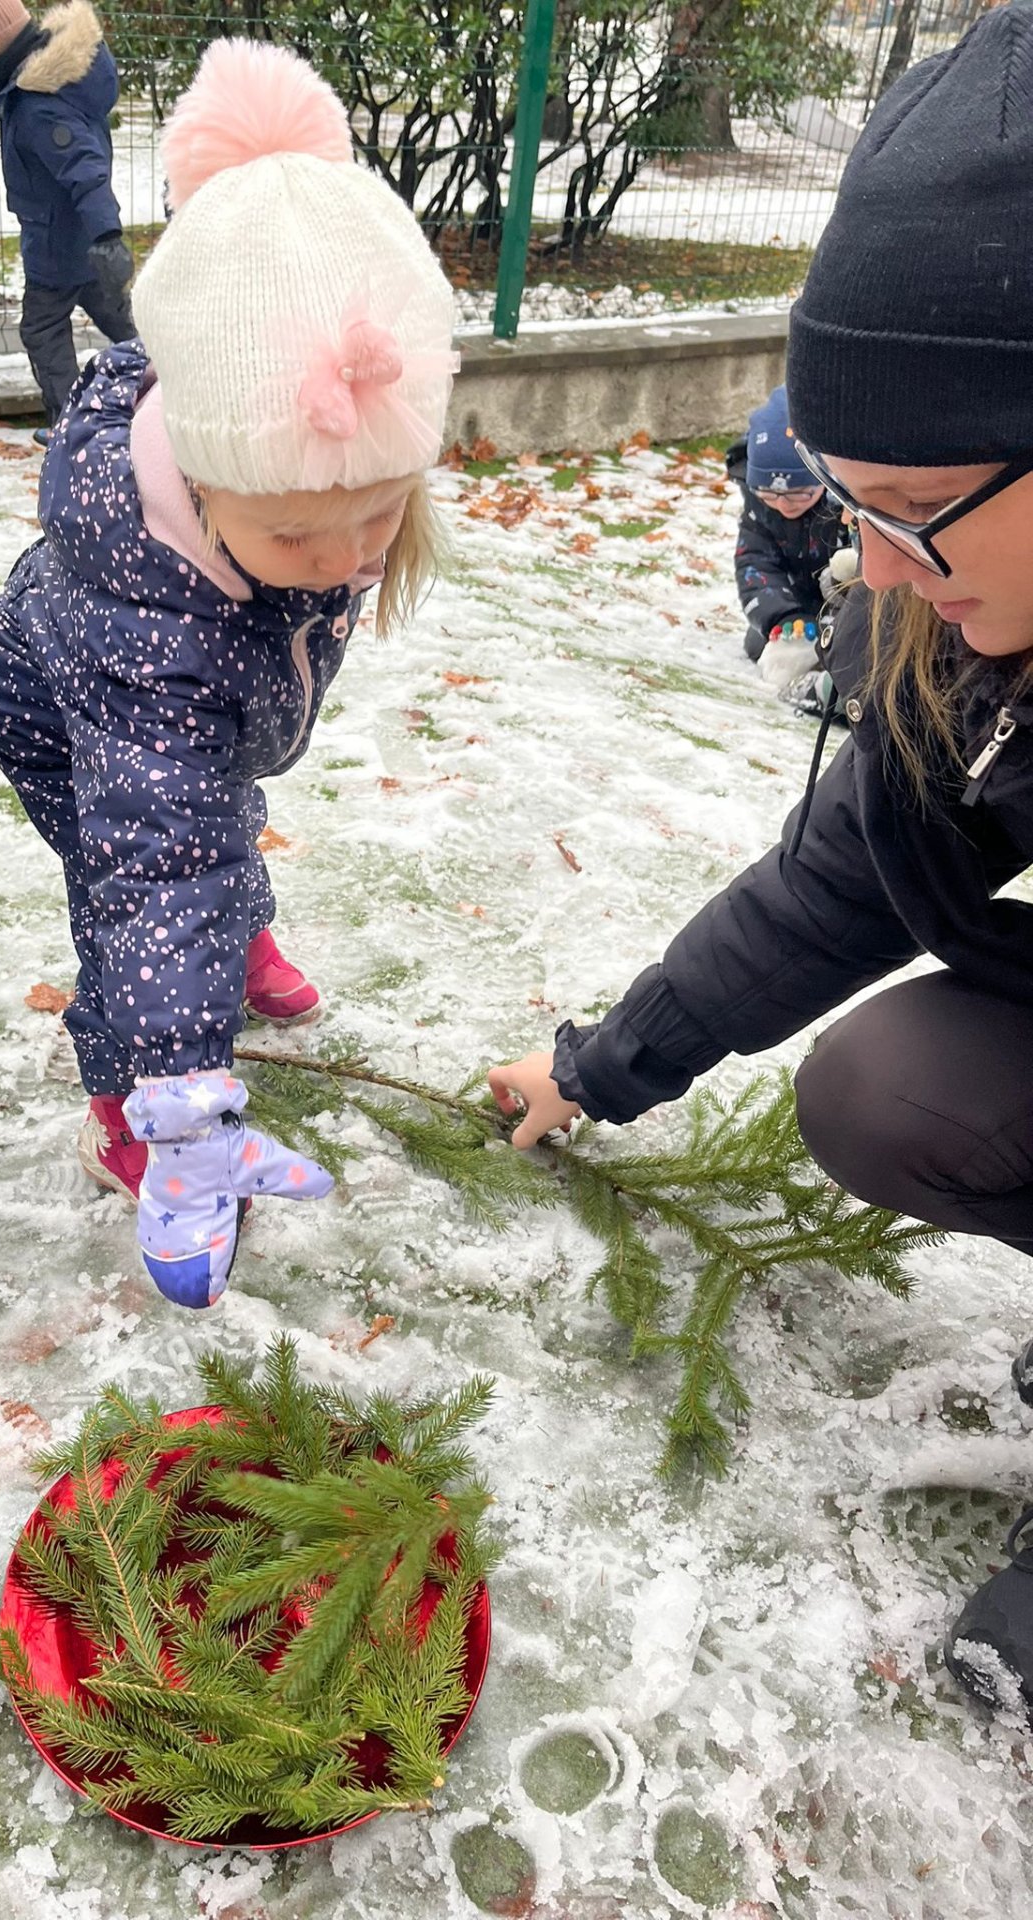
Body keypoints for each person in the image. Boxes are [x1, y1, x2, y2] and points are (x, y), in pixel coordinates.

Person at [490, 0, 1033, 1722]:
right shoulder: (954, 625)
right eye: (849, 514)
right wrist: (598, 1067)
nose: (876, 570)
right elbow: (830, 887)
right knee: (886, 1085)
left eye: (913, 512)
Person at [0, 38, 457, 1309]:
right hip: (65, 713)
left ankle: (238, 945)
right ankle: (120, 1113)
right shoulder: (149, 629)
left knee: (216, 827)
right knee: (144, 893)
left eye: (380, 513)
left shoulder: (294, 497)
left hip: (206, 714)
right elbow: (162, 877)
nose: (348, 564)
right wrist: (188, 1109)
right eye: (300, 537)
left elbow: (326, 537)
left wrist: (328, 536)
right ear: (199, 473)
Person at [0, 0, 135, 440]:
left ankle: (72, 425)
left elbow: (85, 169)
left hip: (58, 247)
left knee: (42, 328)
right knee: (121, 321)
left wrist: (108, 235)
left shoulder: (37, 104)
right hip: (78, 240)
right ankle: (166, 382)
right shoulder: (45, 82)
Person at [727, 383, 852, 712]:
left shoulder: (845, 507)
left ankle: (835, 683)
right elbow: (755, 565)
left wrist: (843, 588)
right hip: (795, 606)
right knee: (757, 642)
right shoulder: (759, 510)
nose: (784, 504)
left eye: (799, 494)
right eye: (770, 494)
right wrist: (782, 616)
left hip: (843, 608)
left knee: (846, 644)